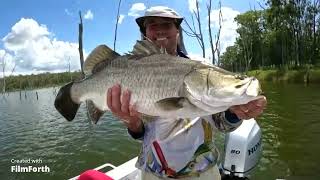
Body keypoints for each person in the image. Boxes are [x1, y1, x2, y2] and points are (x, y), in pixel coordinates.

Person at [106, 6, 267, 180]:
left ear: (177, 31)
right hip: (152, 172)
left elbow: (222, 124)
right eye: (152, 25)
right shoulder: (131, 68)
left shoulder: (202, 66)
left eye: (167, 24)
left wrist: (235, 113)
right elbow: (140, 133)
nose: (160, 29)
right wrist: (132, 122)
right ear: (145, 32)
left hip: (203, 172)